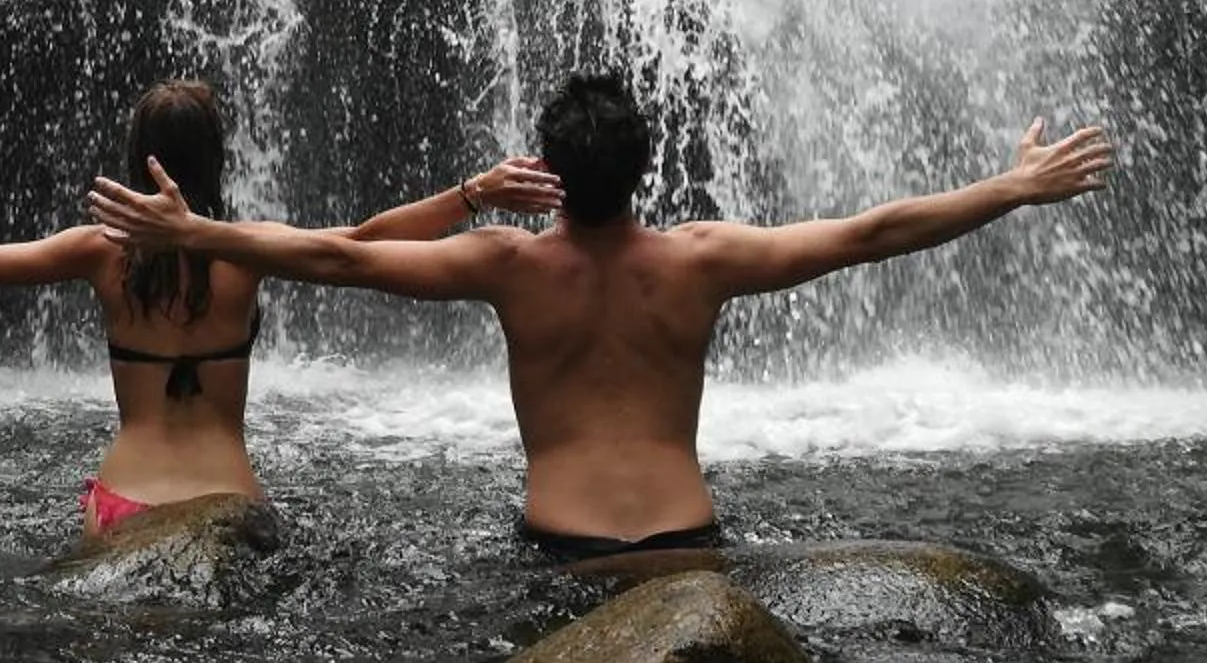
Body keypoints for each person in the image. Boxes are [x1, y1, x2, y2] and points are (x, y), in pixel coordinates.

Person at [87, 74, 1113, 559]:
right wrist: (1012, 187)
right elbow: (870, 233)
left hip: (558, 546)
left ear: (550, 172)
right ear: (644, 169)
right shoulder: (703, 259)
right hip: (687, 538)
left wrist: (197, 232)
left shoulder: (507, 264)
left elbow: (338, 256)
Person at [0, 78, 563, 537]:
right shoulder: (244, 252)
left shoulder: (101, 253)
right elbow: (363, 241)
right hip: (231, 509)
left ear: (138, 160)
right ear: (217, 161)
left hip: (120, 507)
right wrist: (472, 194)